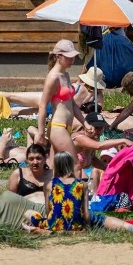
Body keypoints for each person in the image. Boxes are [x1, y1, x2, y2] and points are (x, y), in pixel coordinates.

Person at [37, 39, 93, 174]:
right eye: (68, 57)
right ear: (58, 56)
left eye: (73, 56)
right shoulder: (53, 77)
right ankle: (79, 195)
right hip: (58, 127)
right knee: (76, 165)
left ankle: (49, 193)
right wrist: (40, 132)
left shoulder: (66, 75)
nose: (72, 60)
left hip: (65, 127)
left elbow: (72, 104)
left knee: (54, 167)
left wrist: (85, 123)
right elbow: (42, 105)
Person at [0, 66, 106, 121]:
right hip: (57, 112)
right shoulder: (97, 96)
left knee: (10, 96)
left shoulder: (77, 87)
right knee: (15, 112)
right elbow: (98, 109)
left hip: (49, 101)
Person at [71, 111, 132, 176]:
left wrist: (108, 169)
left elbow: (93, 159)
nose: (99, 130)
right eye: (97, 127)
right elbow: (98, 146)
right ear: (86, 126)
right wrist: (123, 140)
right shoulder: (78, 138)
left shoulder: (93, 138)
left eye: (101, 127)